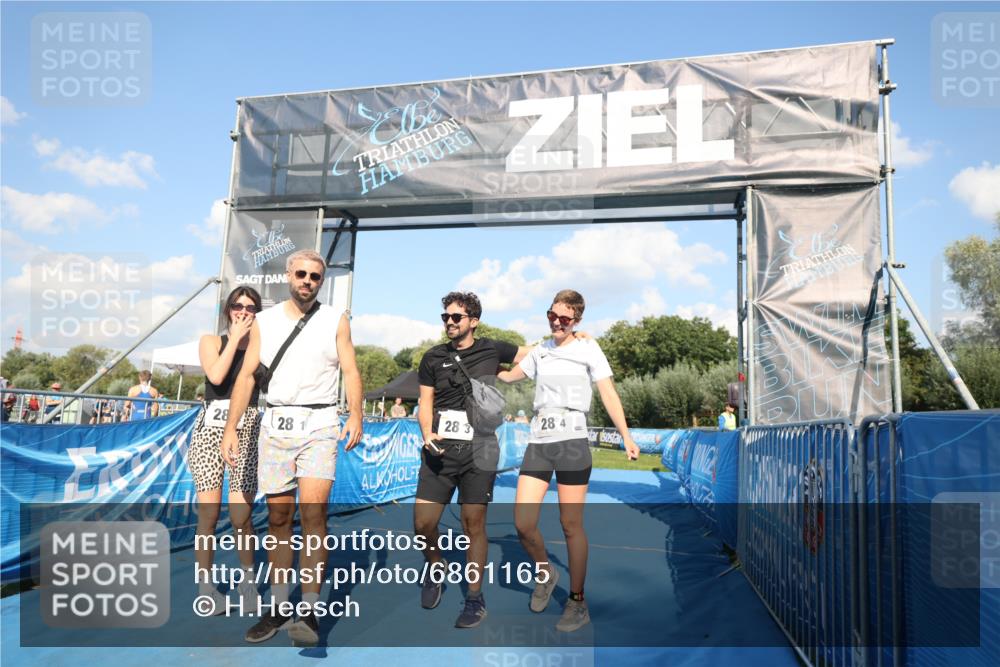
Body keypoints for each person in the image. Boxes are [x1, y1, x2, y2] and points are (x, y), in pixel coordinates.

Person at [223, 249, 363, 647]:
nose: (307, 281)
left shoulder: (336, 319)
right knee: (280, 519)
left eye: (315, 277)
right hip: (276, 424)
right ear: (288, 275)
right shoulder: (264, 322)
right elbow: (248, 375)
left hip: (319, 423)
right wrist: (231, 427)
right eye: (301, 274)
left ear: (321, 281)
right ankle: (281, 606)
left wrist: (356, 415)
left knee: (313, 515)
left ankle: (311, 612)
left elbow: (350, 369)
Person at [498, 289, 640, 632]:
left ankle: (577, 602)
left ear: (577, 320)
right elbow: (506, 375)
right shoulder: (540, 351)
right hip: (539, 441)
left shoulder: (588, 347)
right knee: (522, 523)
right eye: (552, 315)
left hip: (573, 442)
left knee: (570, 525)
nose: (556, 323)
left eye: (564, 318)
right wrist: (480, 354)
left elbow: (608, 391)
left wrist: (625, 434)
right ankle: (546, 572)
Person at [415, 291, 529, 628]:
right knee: (422, 524)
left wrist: (508, 376)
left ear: (473, 321)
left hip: (480, 449)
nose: (449, 322)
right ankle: (436, 566)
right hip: (441, 449)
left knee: (472, 525)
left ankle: (475, 598)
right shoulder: (432, 357)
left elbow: (537, 356)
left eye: (456, 317)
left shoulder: (494, 348)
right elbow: (425, 401)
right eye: (445, 317)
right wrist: (426, 433)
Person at [189, 286, 264, 615]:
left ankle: (247, 583)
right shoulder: (211, 341)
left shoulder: (262, 348)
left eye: (250, 307)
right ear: (228, 309)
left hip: (247, 428)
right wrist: (234, 338)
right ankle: (206, 588)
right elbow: (217, 375)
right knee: (208, 515)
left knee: (240, 517)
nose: (243, 311)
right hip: (208, 430)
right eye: (237, 305)